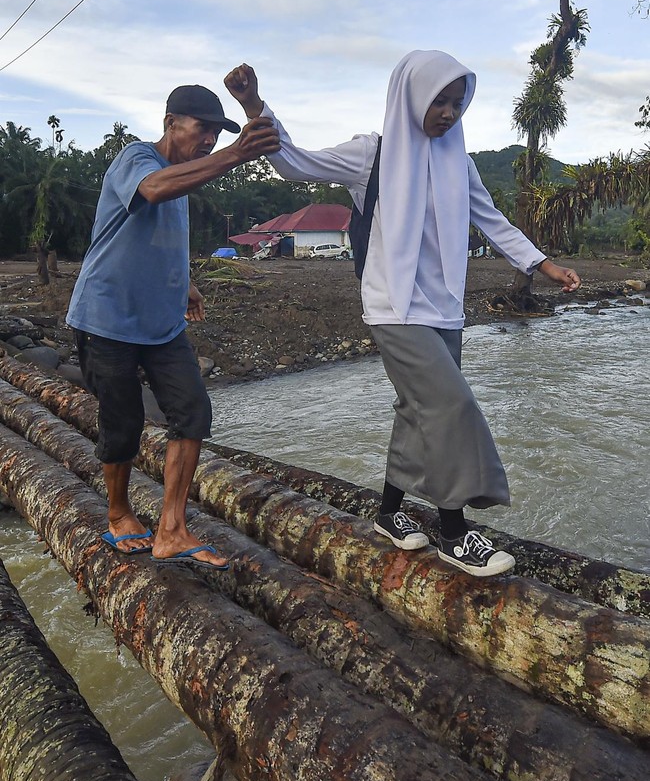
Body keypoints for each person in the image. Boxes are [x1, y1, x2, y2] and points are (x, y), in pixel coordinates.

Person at [224, 53, 581, 577]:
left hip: (444, 308)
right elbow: (294, 163)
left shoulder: (459, 160)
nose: (448, 112)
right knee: (450, 407)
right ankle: (454, 533)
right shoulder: (373, 154)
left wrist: (542, 264)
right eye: (439, 100)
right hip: (393, 305)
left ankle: (389, 513)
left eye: (458, 103)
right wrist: (255, 105)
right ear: (412, 96)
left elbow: (492, 219)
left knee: (418, 410)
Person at [66, 84, 280, 567]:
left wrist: (187, 284)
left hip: (161, 324)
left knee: (193, 412)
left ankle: (172, 528)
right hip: (106, 318)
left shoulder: (185, 179)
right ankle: (119, 514)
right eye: (202, 128)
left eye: (215, 133)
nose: (208, 139)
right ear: (171, 122)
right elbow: (153, 190)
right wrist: (233, 154)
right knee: (123, 422)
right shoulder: (136, 159)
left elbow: (168, 234)